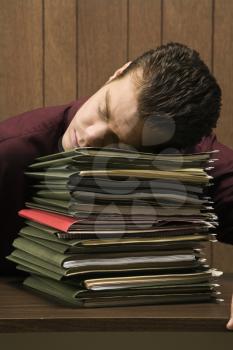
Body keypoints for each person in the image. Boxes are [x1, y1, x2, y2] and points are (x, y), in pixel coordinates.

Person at [0, 42, 232, 329]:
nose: (90, 136)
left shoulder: (184, 154)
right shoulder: (9, 150)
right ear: (117, 74)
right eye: (104, 109)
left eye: (120, 143)